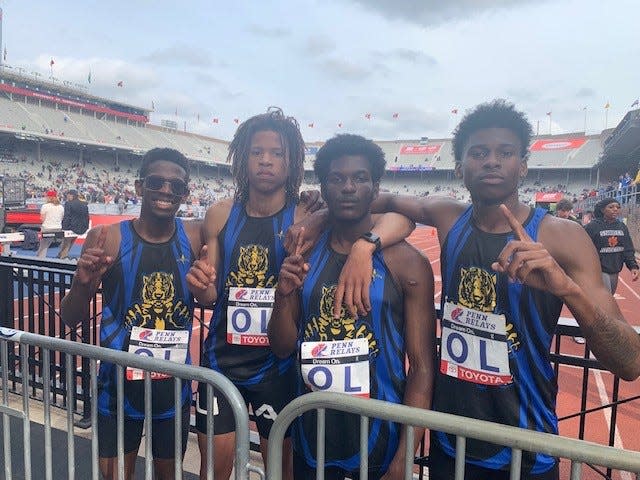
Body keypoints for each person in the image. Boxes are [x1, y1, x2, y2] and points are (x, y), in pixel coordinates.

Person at [332, 100, 640, 479]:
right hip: (453, 443)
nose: (492, 161)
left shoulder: (563, 237)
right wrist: (361, 241)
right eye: (479, 153)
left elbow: (629, 364)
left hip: (527, 447)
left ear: (523, 165)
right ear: (460, 168)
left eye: (505, 153)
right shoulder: (449, 218)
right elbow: (379, 201)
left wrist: (567, 289)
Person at [185, 109, 412, 480]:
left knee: (282, 473)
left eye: (277, 153)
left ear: (292, 163)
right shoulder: (219, 214)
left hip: (280, 368)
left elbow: (397, 213)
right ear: (242, 158)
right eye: (257, 152)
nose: (266, 161)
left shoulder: (309, 212)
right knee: (213, 473)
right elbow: (212, 294)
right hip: (222, 362)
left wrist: (364, 246)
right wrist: (202, 287)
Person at [267, 134, 436, 480]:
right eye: (336, 178)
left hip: (380, 441)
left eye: (359, 178)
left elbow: (421, 367)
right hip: (312, 434)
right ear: (324, 191)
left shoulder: (408, 264)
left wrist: (404, 460)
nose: (348, 187)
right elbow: (283, 346)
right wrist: (283, 295)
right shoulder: (304, 255)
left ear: (375, 189)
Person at [61, 148, 201, 480]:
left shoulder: (195, 235)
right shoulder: (107, 238)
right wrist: (82, 286)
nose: (166, 191)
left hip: (172, 386)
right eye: (156, 182)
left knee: (170, 475)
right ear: (139, 187)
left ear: (186, 192)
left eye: (175, 186)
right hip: (117, 386)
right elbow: (70, 317)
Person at [584, 197, 639, 294]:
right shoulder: (592, 226)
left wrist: (633, 266)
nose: (615, 209)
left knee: (610, 296)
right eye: (611, 207)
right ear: (602, 210)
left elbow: (628, 248)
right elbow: (584, 248)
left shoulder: (622, 226)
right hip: (599, 269)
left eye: (618, 207)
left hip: (615, 268)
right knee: (607, 297)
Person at [57, 189, 90, 259]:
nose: (67, 197)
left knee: (67, 242)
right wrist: (86, 227)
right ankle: (61, 254)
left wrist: (64, 228)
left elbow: (67, 216)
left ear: (71, 195)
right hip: (82, 228)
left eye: (67, 195)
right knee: (71, 241)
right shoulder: (84, 204)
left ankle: (62, 256)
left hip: (71, 227)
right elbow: (87, 217)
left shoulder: (68, 203)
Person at [37, 189, 64, 258]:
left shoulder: (45, 206)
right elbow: (61, 218)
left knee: (43, 245)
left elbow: (42, 219)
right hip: (58, 228)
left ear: (48, 197)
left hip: (47, 228)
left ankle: (40, 258)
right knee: (47, 243)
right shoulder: (61, 207)